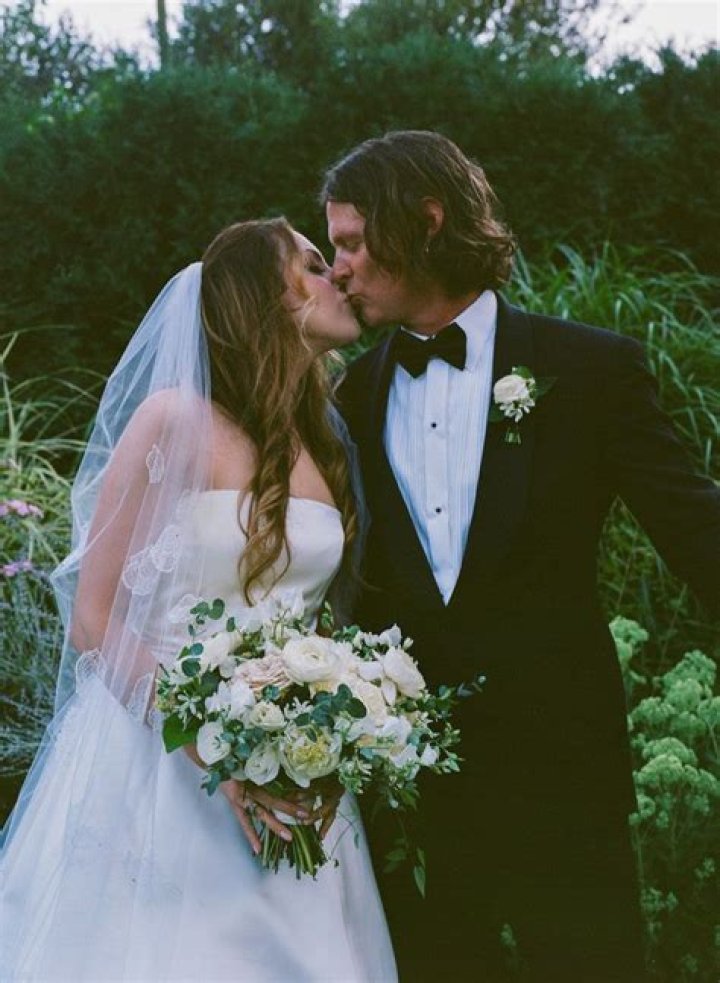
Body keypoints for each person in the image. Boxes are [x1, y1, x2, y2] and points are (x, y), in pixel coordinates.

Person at [322, 130, 720, 983]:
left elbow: (697, 529)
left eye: (351, 242)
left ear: (426, 221)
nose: (339, 268)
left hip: (563, 779)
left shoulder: (591, 370)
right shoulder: (351, 395)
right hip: (415, 798)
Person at [0, 218, 397, 981]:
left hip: (293, 772)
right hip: (159, 765)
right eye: (313, 264)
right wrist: (212, 742)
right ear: (264, 295)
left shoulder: (318, 440)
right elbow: (94, 617)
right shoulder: (173, 418)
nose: (337, 277)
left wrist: (323, 728)